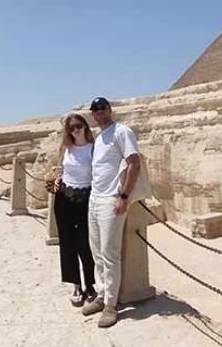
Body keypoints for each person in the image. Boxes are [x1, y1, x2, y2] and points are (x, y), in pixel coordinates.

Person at [80, 97, 141, 328]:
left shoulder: (121, 131)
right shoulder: (98, 137)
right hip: (95, 200)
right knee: (96, 250)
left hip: (111, 201)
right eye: (94, 109)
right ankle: (102, 294)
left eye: (102, 108)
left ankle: (111, 305)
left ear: (110, 110)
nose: (99, 112)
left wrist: (123, 197)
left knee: (110, 253)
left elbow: (134, 163)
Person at [50, 113, 98, 307]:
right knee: (67, 244)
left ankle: (91, 285)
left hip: (86, 199)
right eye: (71, 128)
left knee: (86, 244)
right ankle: (76, 285)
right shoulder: (66, 148)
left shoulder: (94, 149)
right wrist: (56, 179)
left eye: (79, 126)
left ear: (85, 126)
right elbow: (60, 168)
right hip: (64, 199)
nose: (76, 130)